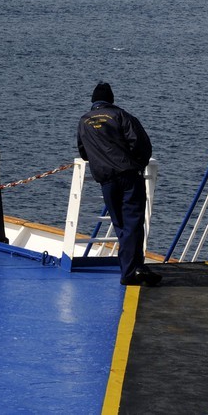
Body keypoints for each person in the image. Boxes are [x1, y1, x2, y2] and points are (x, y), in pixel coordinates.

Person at [77, 82, 160, 286]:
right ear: (111, 100)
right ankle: (131, 271)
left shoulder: (84, 121)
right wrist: (138, 165)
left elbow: (83, 152)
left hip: (106, 179)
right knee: (132, 222)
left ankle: (133, 267)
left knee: (120, 224)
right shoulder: (122, 116)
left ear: (93, 101)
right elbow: (141, 144)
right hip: (129, 176)